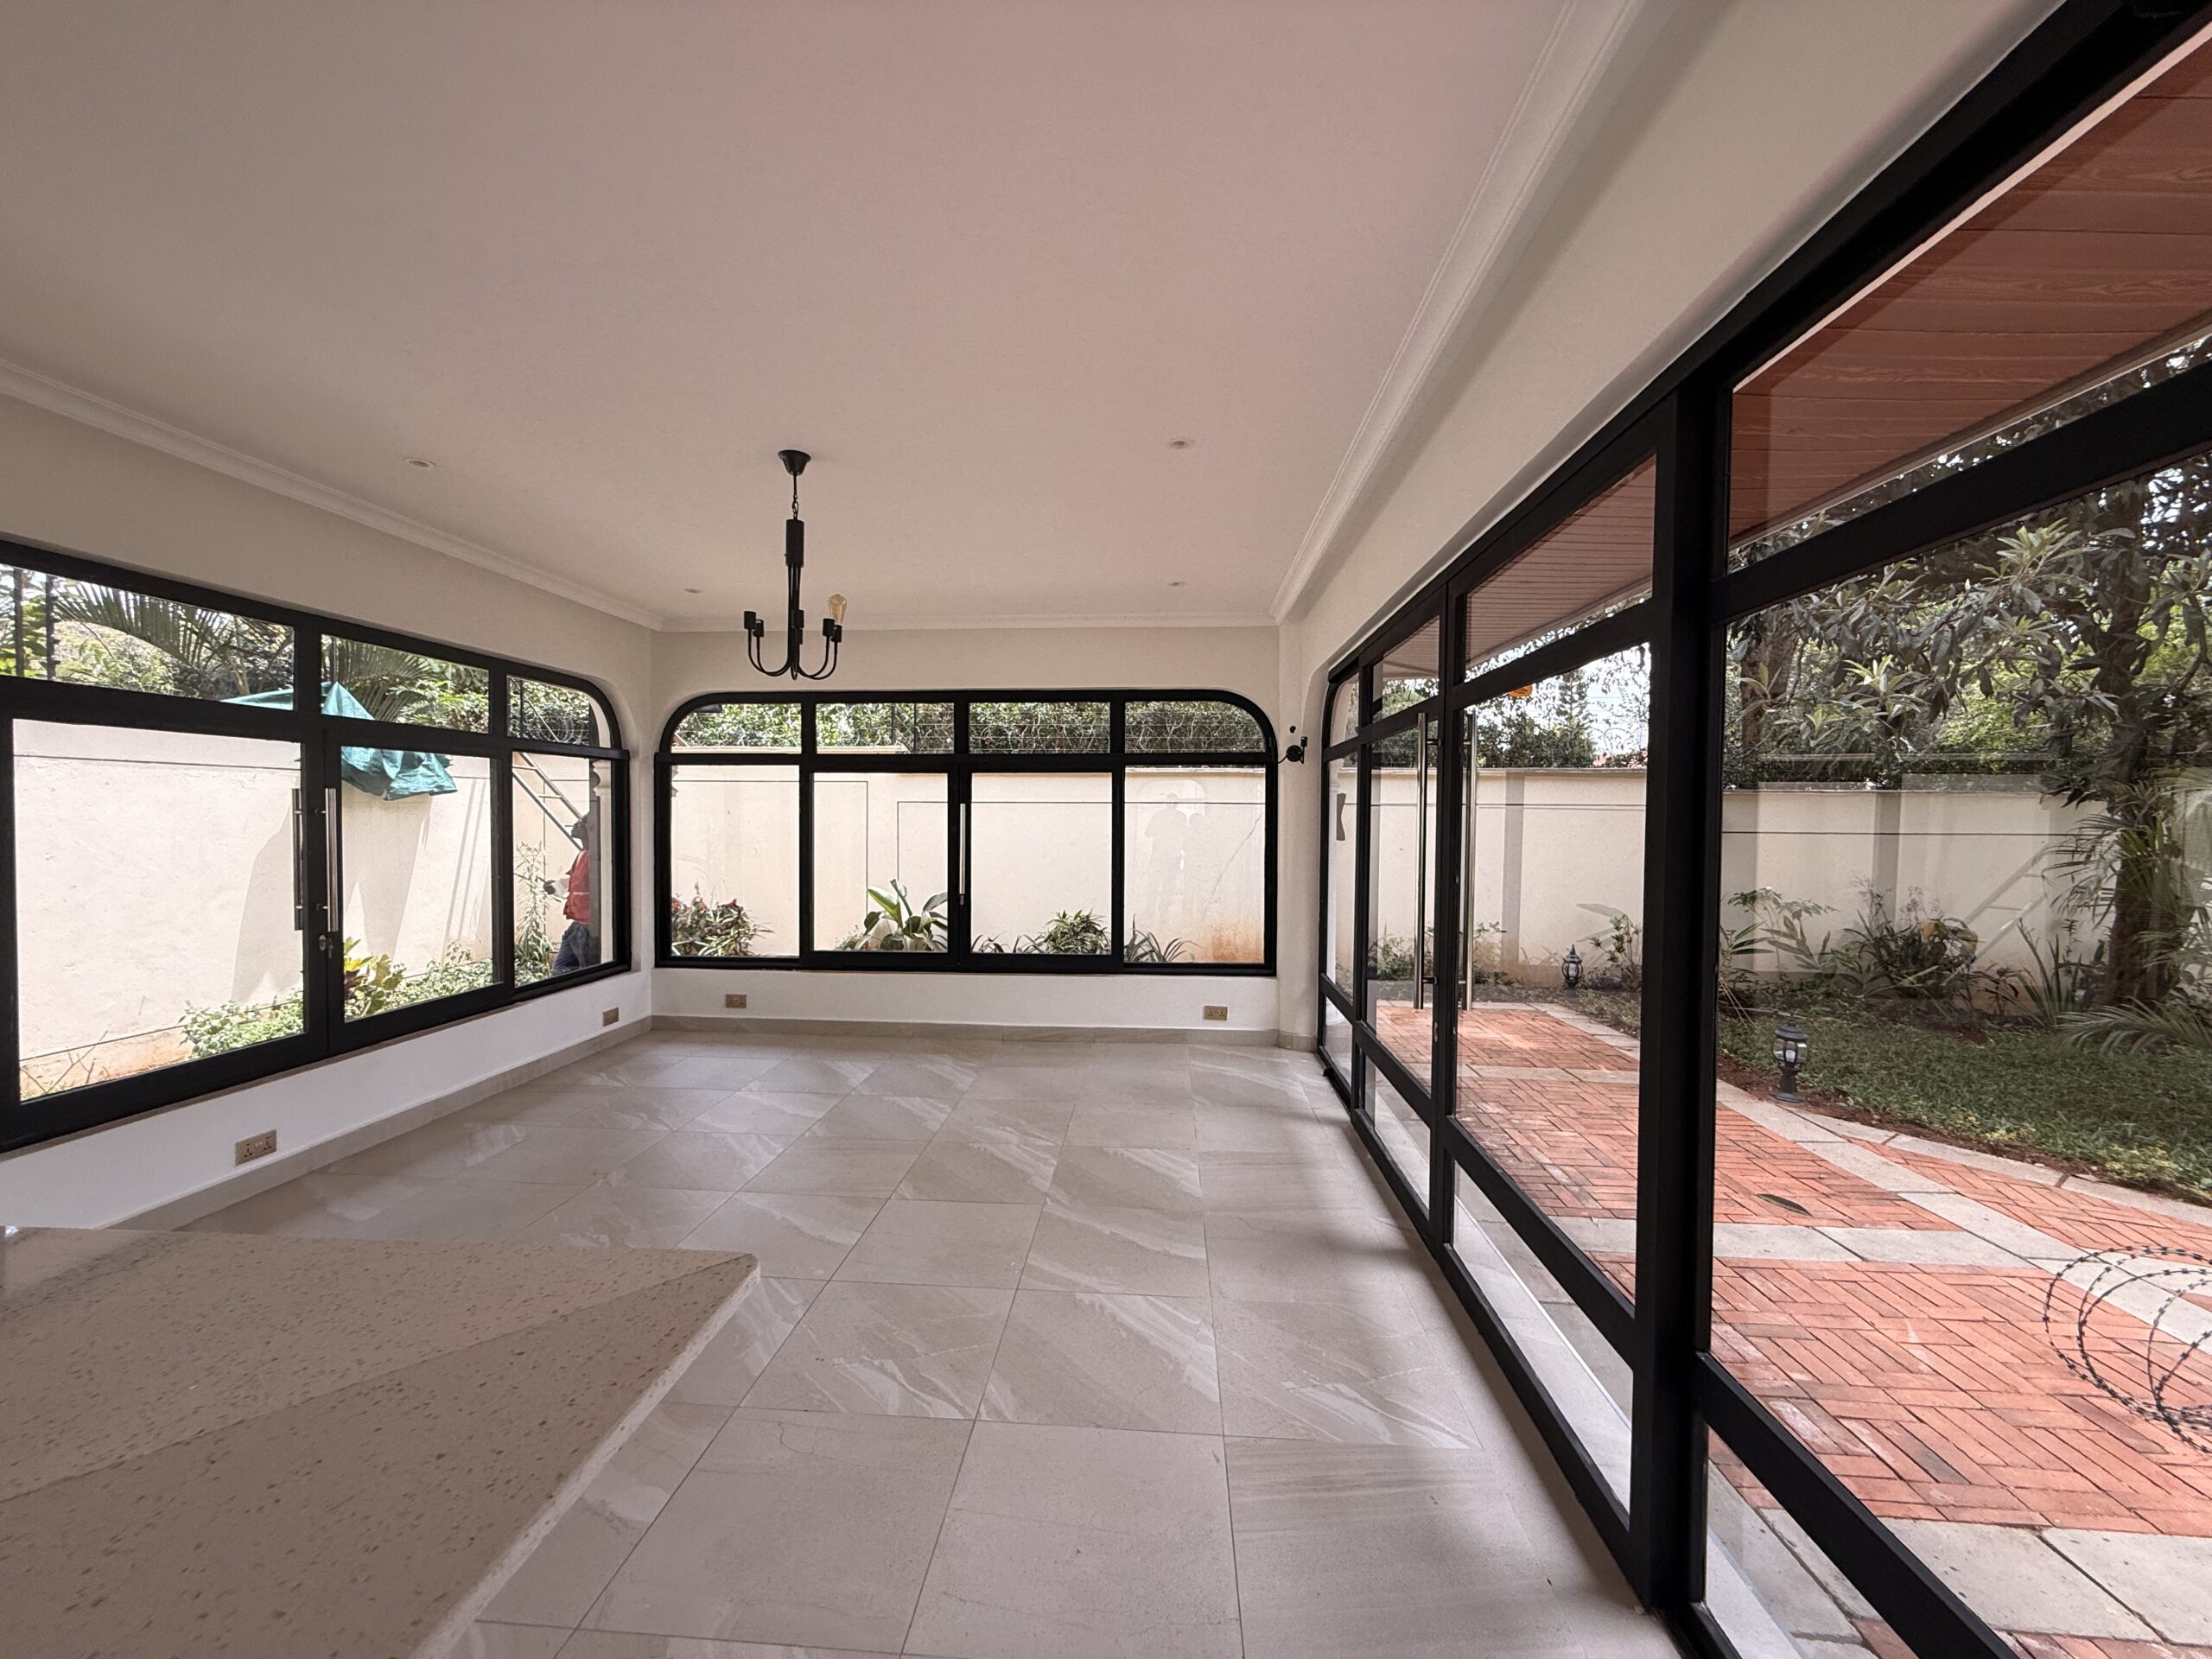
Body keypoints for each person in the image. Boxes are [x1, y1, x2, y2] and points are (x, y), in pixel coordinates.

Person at [548, 812, 597, 972]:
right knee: (560, 970)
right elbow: (572, 878)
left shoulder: (596, 858)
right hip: (577, 925)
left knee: (586, 974)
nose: (576, 825)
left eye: (580, 823)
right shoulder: (582, 855)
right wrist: (555, 886)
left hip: (588, 927)